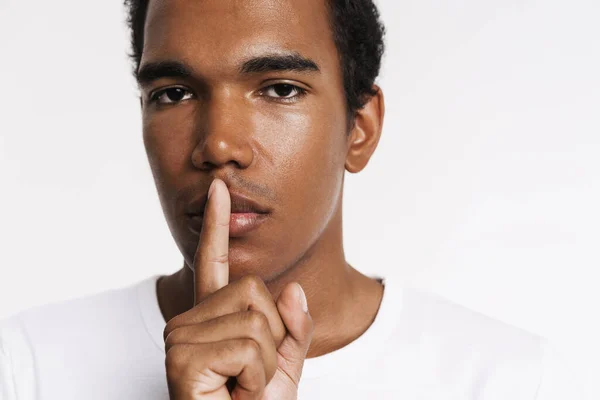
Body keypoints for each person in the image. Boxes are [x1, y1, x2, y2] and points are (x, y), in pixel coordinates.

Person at [0, 0, 580, 399]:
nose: (219, 144)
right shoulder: (28, 366)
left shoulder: (511, 381)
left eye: (280, 88)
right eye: (173, 93)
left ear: (360, 127)